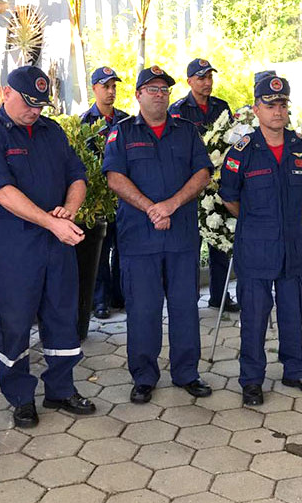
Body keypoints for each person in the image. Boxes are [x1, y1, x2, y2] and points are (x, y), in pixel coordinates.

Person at [0, 66, 95, 427]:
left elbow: (78, 176)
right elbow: (2, 191)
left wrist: (69, 209)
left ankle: (61, 388)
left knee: (62, 313)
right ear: (7, 93)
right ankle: (20, 396)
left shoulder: (51, 132)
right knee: (15, 320)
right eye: (28, 103)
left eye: (41, 104)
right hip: (14, 243)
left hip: (57, 239)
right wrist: (52, 222)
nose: (35, 111)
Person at [102, 65, 214, 404]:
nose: (159, 94)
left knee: (184, 307)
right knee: (143, 309)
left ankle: (186, 373)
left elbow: (203, 173)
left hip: (180, 236)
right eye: (151, 89)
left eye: (164, 89)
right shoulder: (121, 133)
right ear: (138, 95)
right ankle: (144, 376)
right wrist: (151, 207)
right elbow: (114, 178)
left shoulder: (186, 131)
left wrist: (170, 205)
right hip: (139, 238)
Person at [219, 75, 302, 406]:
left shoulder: (300, 147)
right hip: (255, 245)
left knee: (293, 308)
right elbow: (229, 199)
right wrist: (259, 222)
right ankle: (252, 380)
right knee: (254, 314)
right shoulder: (242, 151)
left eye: (282, 105)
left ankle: (296, 369)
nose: (277, 111)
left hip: (291, 244)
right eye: (270, 105)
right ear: (256, 109)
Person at [170, 58, 239, 313]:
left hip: (218, 184)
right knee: (189, 246)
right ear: (189, 81)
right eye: (201, 78)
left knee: (219, 241)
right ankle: (187, 299)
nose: (207, 82)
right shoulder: (178, 110)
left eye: (210, 77)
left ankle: (220, 297)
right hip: (190, 186)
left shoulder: (221, 107)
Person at [80, 66, 129, 320]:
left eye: (114, 87)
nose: (111, 92)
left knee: (124, 248)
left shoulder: (126, 120)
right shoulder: (85, 123)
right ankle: (100, 300)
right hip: (99, 199)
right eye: (105, 87)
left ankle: (121, 295)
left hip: (124, 197)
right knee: (100, 250)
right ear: (94, 89)